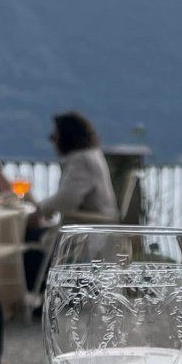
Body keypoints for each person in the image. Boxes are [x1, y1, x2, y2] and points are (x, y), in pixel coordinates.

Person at [23, 111, 117, 292]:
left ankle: (40, 295)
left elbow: (67, 199)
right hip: (91, 223)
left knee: (27, 237)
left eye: (55, 134)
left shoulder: (82, 160)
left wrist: (39, 211)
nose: (51, 139)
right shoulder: (90, 155)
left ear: (66, 136)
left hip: (87, 229)